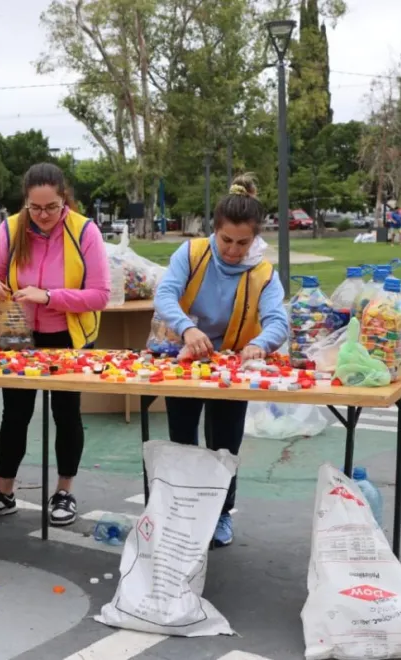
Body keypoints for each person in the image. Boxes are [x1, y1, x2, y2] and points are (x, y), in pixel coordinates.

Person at [0, 162, 110, 526]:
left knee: (66, 413)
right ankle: (3, 492)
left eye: (51, 207)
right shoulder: (11, 228)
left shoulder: (85, 231)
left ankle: (64, 491)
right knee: (14, 413)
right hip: (19, 335)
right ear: (25, 203)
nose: (43, 215)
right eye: (35, 207)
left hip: (69, 336)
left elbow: (99, 295)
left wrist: (49, 296)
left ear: (65, 200)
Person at [153, 173, 288, 547]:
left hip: (232, 365)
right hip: (185, 357)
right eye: (226, 240)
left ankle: (221, 514)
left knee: (224, 445)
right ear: (215, 230)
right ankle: (181, 510)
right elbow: (165, 295)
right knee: (181, 439)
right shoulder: (192, 253)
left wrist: (261, 343)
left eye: (243, 243)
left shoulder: (263, 272)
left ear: (256, 238)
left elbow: (279, 320)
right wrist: (185, 329)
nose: (232, 250)